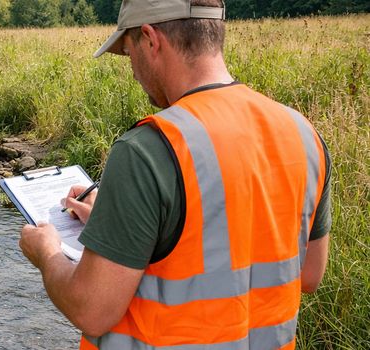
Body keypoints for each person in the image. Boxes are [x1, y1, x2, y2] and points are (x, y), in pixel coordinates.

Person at [18, 0, 332, 348]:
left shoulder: (147, 149)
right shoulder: (304, 134)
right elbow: (309, 274)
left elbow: (91, 308)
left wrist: (47, 253)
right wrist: (123, 229)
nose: (133, 71)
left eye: (128, 51)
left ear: (151, 39)